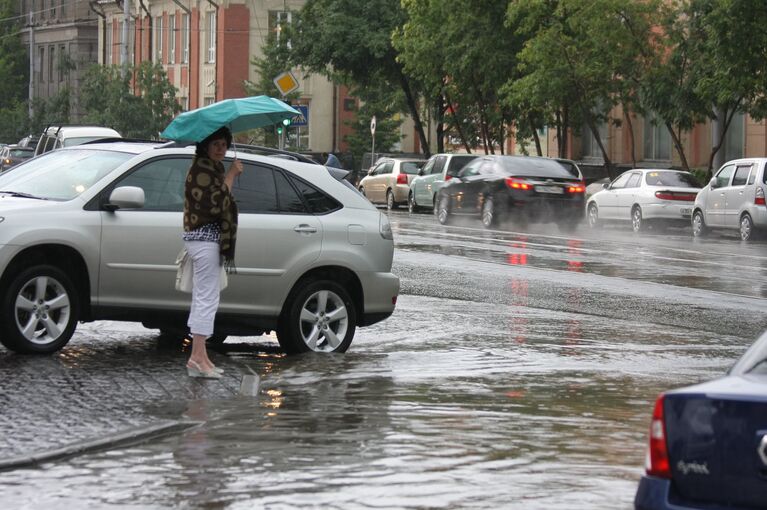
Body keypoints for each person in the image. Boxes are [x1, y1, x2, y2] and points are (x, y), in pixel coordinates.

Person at [182, 126, 242, 379]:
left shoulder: (209, 168)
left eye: (224, 145)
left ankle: (201, 356)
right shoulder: (202, 170)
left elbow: (221, 200)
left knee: (204, 297)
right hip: (205, 239)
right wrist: (232, 174)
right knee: (207, 298)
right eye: (216, 144)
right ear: (205, 145)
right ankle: (197, 357)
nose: (221, 149)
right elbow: (218, 204)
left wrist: (226, 174)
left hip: (206, 239)